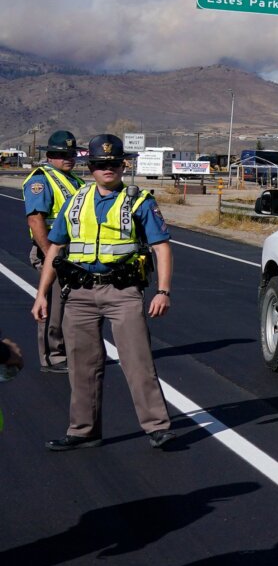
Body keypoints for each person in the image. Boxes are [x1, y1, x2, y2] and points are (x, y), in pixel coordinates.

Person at [32, 133, 175, 450]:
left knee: (137, 361)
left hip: (123, 291)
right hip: (79, 293)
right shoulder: (76, 200)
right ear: (90, 167)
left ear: (123, 165)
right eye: (99, 163)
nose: (106, 169)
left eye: (113, 163)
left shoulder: (139, 201)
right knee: (81, 365)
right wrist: (42, 294)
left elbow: (161, 247)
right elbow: (55, 247)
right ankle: (83, 431)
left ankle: (157, 427)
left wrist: (163, 291)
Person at [22, 129, 82, 372]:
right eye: (62, 154)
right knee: (53, 306)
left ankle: (67, 351)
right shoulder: (41, 180)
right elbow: (35, 219)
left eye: (71, 154)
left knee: (70, 306)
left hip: (73, 252)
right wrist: (50, 255)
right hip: (52, 251)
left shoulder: (74, 180)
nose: (68, 158)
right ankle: (52, 357)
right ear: (49, 155)